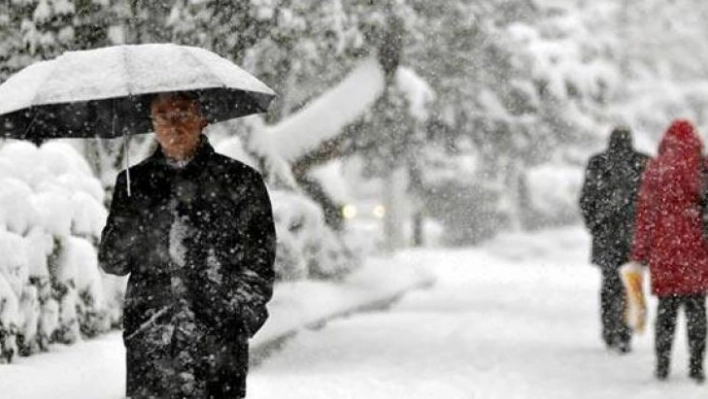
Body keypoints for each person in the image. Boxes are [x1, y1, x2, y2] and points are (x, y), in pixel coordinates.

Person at [98, 91, 276, 398]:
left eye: (183, 113)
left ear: (203, 118)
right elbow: (112, 262)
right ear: (151, 123)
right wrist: (130, 221)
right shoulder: (133, 184)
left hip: (219, 345)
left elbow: (259, 261)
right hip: (151, 341)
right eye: (162, 116)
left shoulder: (239, 181)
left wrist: (236, 318)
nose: (173, 125)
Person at [631, 120, 708, 383]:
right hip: (696, 247)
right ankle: (696, 365)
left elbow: (645, 214)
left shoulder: (656, 168)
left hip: (664, 249)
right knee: (697, 309)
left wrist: (640, 253)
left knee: (666, 309)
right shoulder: (702, 165)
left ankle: (662, 364)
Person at [579, 126, 648, 354]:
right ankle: (626, 333)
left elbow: (586, 198)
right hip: (634, 237)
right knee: (631, 285)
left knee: (609, 285)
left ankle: (610, 330)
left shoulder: (598, 163)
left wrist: (595, 225)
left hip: (606, 236)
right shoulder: (643, 162)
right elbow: (655, 202)